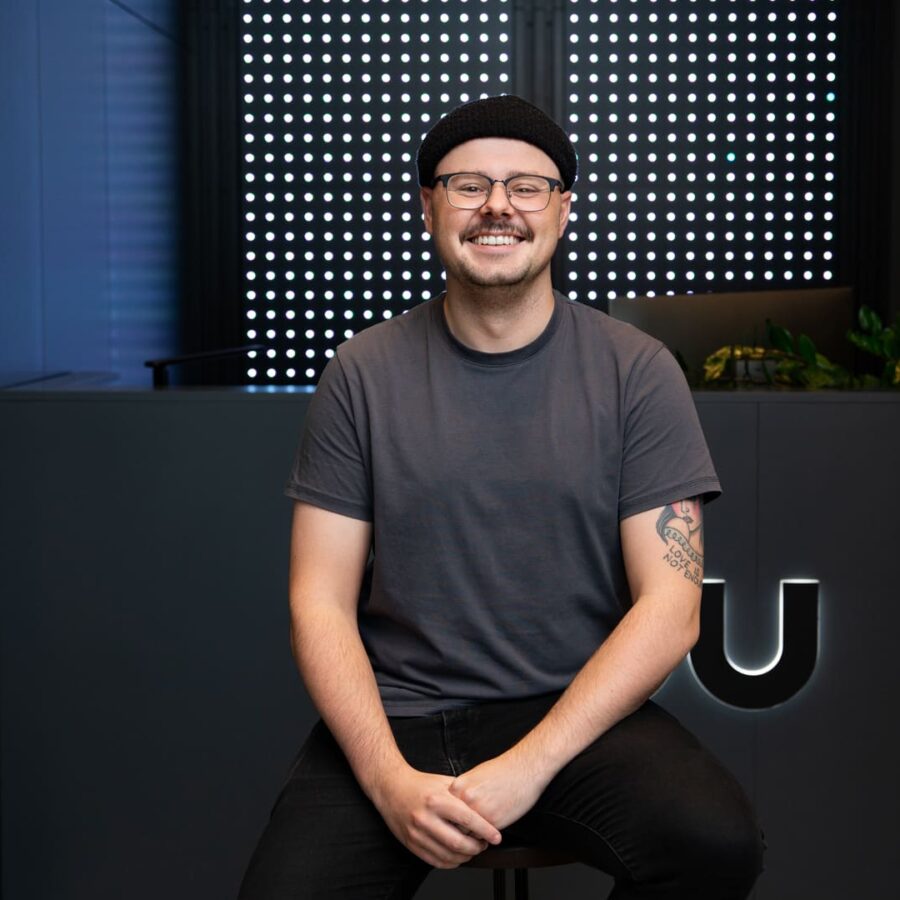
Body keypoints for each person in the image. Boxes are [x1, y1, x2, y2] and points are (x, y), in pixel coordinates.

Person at [238, 95, 764, 899]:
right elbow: (318, 600)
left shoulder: (636, 370)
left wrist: (530, 766)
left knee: (716, 843)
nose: (497, 207)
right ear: (428, 209)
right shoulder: (362, 371)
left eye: (526, 186)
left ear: (562, 211)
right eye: (467, 184)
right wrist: (385, 780)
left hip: (573, 716)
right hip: (400, 715)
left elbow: (671, 607)